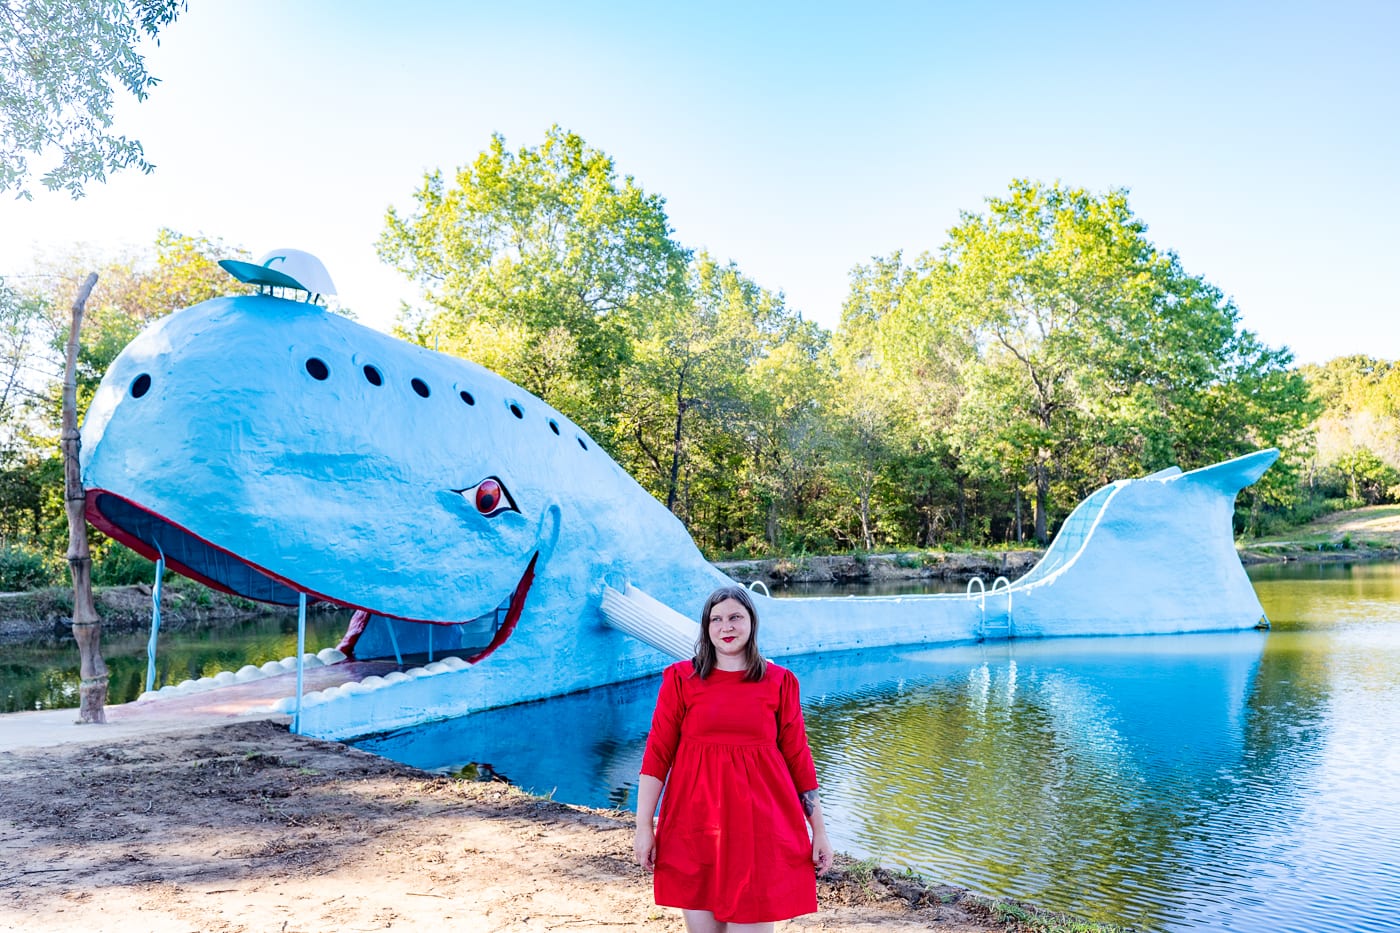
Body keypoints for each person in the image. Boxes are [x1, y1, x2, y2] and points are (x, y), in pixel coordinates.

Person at [633, 584, 833, 932]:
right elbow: (657, 757)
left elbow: (799, 759)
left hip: (760, 831)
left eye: (735, 617)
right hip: (693, 827)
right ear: (706, 628)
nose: (726, 627)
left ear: (751, 623)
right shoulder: (681, 680)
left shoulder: (780, 682)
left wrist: (819, 832)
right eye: (717, 619)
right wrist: (643, 827)